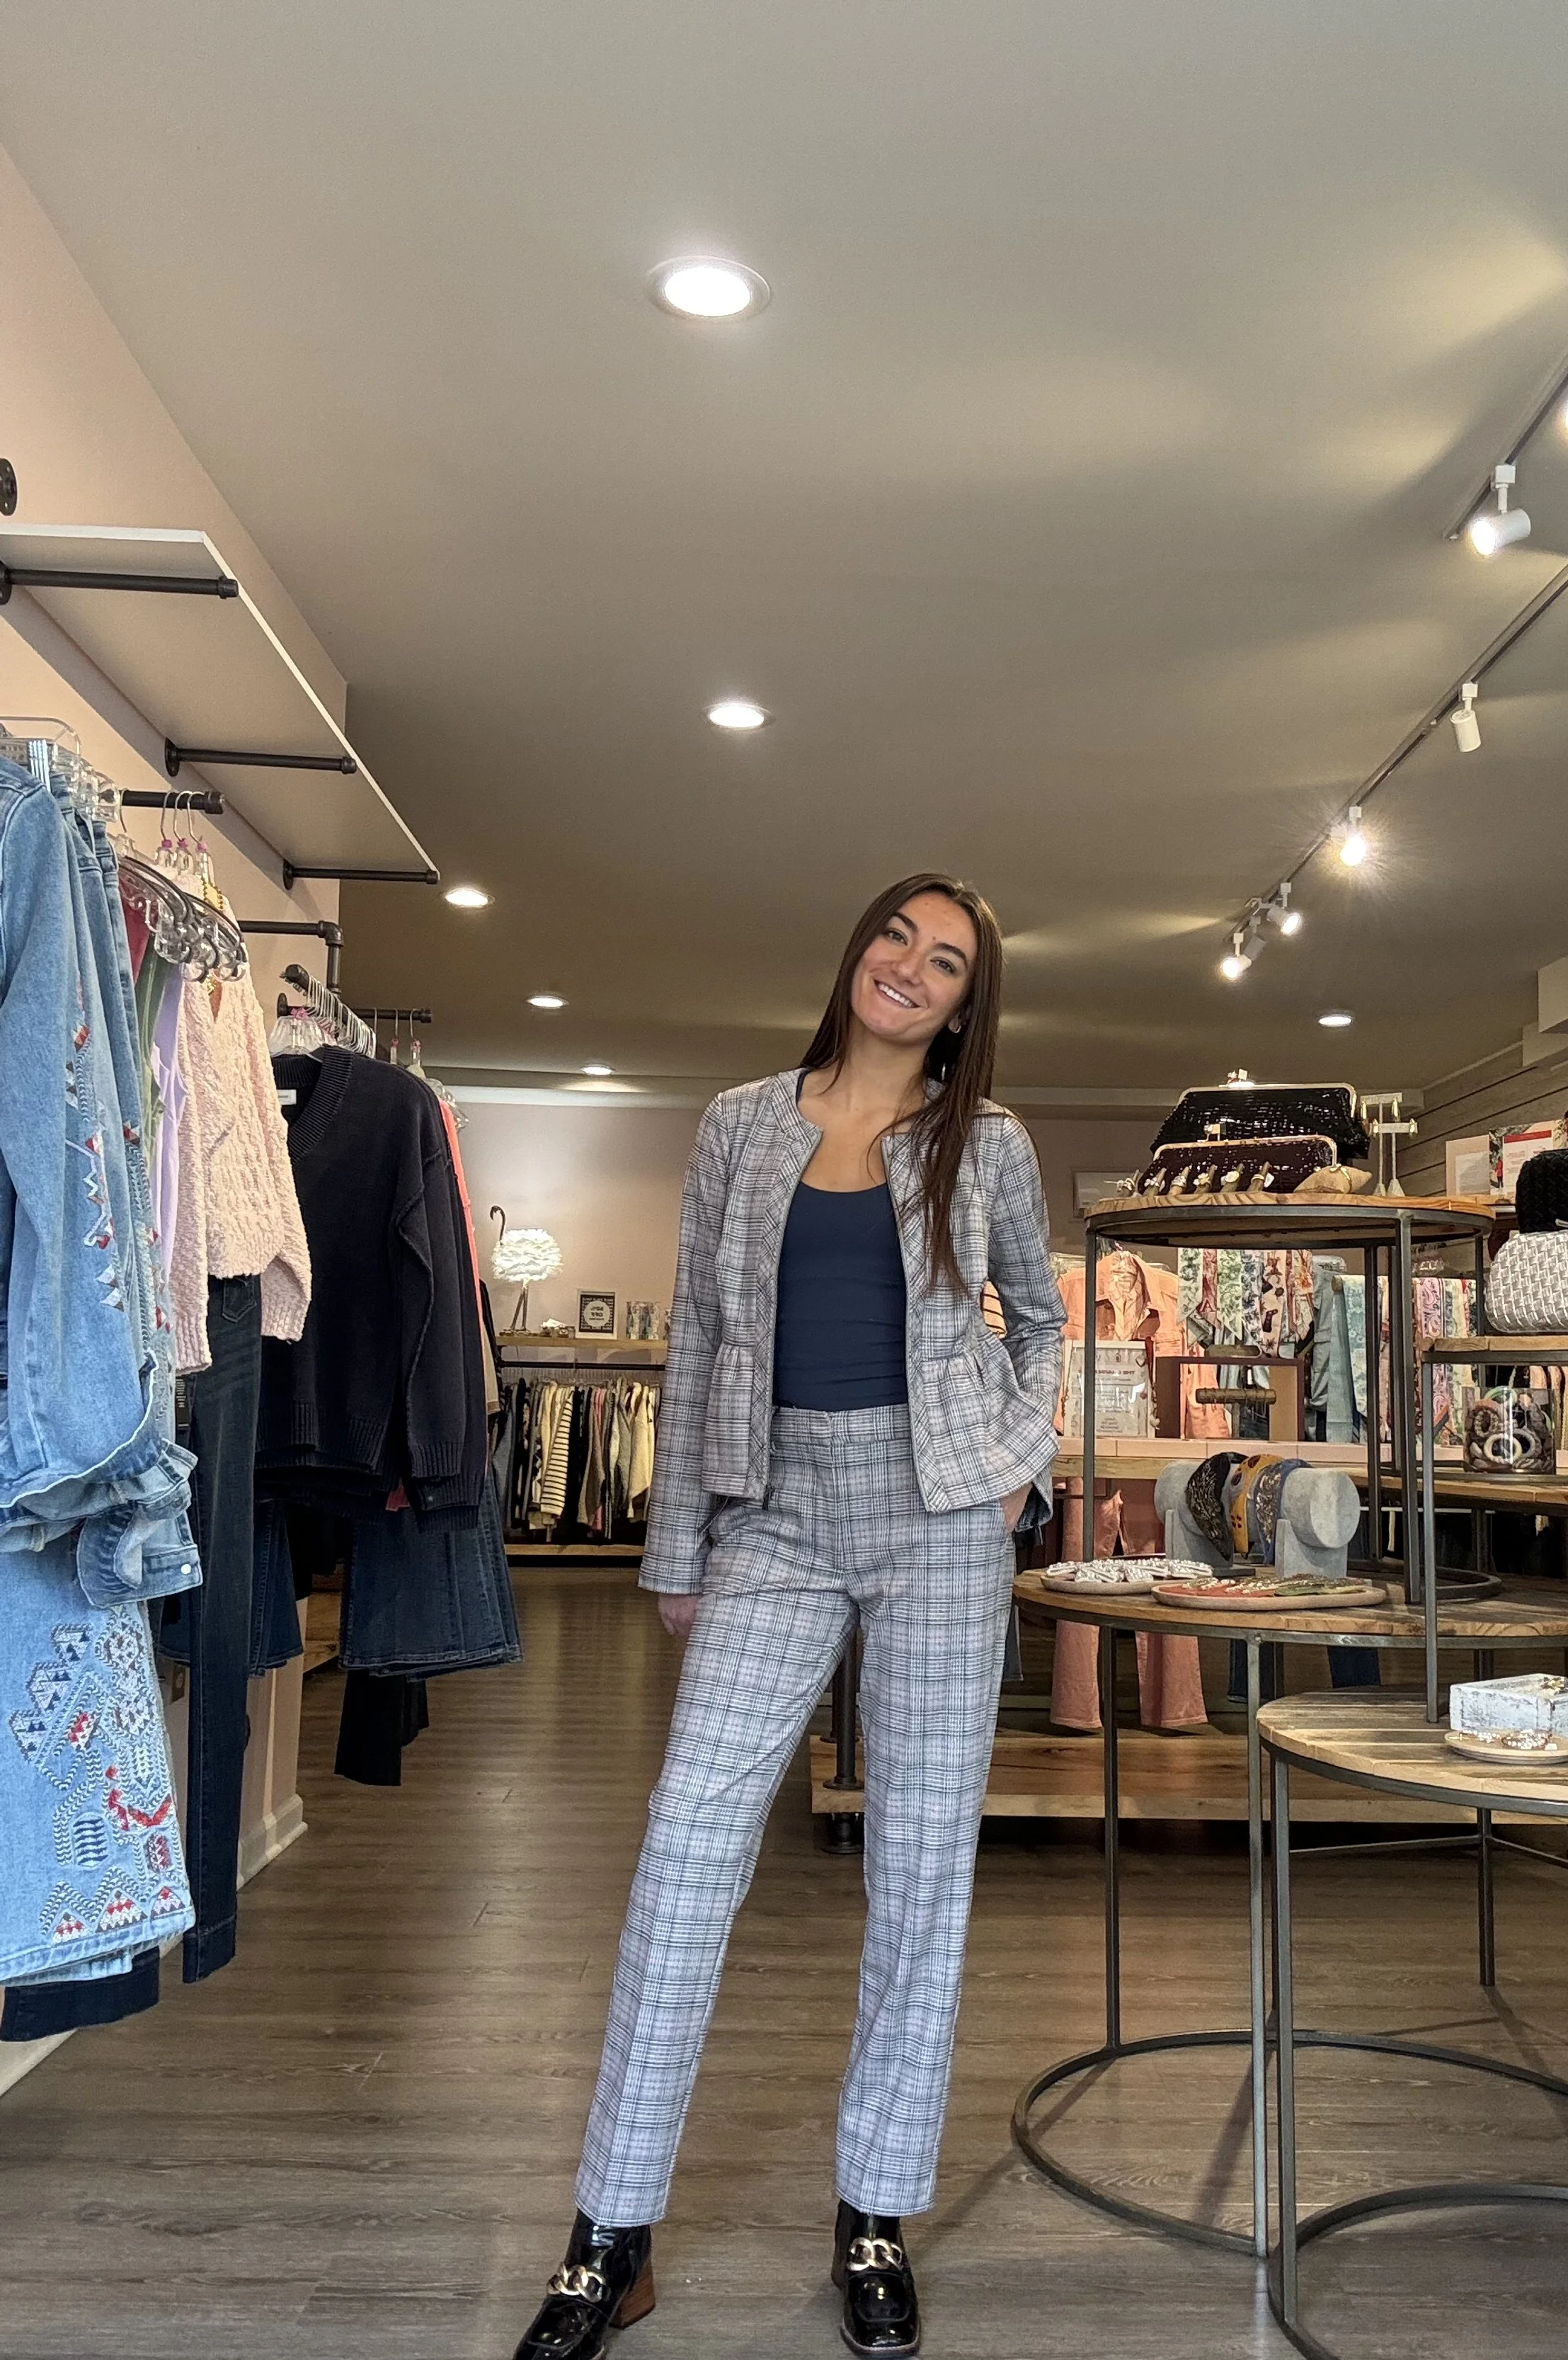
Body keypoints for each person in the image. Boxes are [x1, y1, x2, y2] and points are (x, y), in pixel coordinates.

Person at [513, 874, 1065, 2360]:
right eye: (897, 937)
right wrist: (675, 1548)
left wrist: (1019, 1464)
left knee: (920, 1862)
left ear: (964, 1001)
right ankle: (607, 2231)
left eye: (944, 961)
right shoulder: (740, 1122)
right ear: (857, 950)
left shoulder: (987, 1141)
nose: (910, 968)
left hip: (941, 1513)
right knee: (687, 1842)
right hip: (773, 1512)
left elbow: (1045, 1313)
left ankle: (874, 2206)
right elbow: (697, 1334)